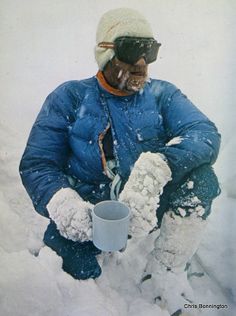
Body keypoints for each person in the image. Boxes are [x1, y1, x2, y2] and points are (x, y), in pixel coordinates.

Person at [19, 8, 220, 315]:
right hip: (91, 209)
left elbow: (203, 133)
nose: (141, 64)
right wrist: (64, 204)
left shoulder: (162, 94)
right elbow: (38, 163)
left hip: (147, 200)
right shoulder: (69, 97)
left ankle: (167, 269)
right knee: (74, 272)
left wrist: (158, 168)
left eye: (149, 52)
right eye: (131, 51)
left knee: (202, 179)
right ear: (105, 53)